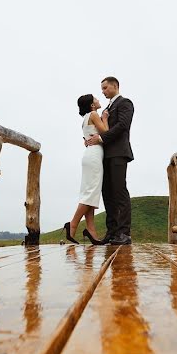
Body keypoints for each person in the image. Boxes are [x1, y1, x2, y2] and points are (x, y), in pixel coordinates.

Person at [84, 76, 134, 245]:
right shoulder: (105, 109)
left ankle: (124, 233)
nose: (103, 91)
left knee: (119, 192)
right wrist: (91, 139)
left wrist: (101, 138)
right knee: (107, 194)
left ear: (115, 86)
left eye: (105, 88)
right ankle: (112, 232)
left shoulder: (125, 103)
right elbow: (100, 129)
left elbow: (122, 126)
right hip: (103, 156)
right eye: (102, 89)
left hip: (119, 153)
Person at [63, 94, 108, 245]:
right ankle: (73, 224)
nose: (98, 99)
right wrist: (105, 119)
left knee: (90, 193)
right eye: (95, 98)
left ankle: (91, 231)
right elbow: (105, 133)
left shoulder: (85, 118)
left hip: (90, 155)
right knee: (91, 192)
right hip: (94, 156)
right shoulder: (95, 114)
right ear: (91, 105)